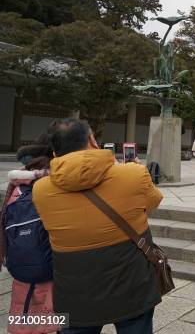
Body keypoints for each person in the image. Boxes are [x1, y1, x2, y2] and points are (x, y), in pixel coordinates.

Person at [32, 119, 163, 333]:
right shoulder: (134, 173)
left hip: (73, 289)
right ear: (93, 141)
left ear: (54, 152)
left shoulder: (40, 190)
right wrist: (124, 169)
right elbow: (153, 203)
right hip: (132, 281)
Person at [0, 133, 57, 334]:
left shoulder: (18, 180)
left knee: (27, 315)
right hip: (53, 272)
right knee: (55, 319)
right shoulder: (56, 181)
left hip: (22, 271)